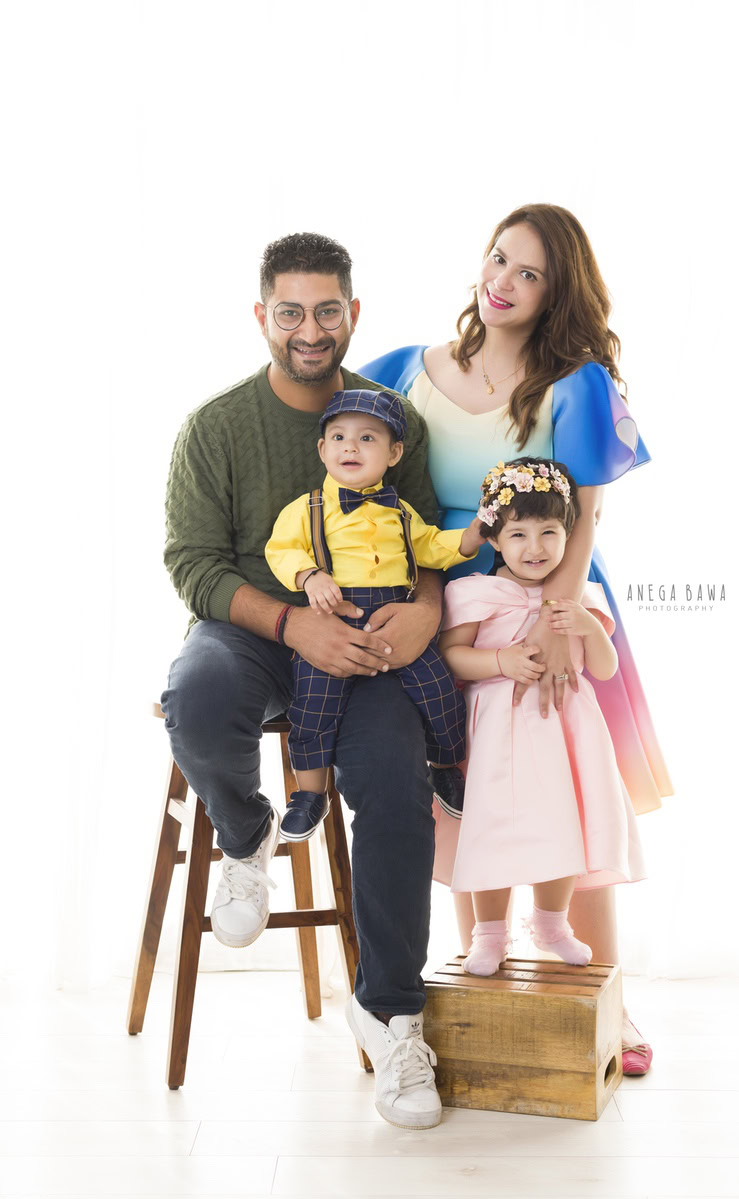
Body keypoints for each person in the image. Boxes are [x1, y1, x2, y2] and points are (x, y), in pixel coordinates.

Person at [360, 202, 672, 1074]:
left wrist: (559, 614)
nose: (502, 282)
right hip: (453, 605)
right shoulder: (408, 373)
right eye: (499, 259)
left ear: (555, 290)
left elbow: (589, 502)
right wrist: (427, 605)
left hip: (555, 591)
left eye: (528, 272)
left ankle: (611, 1001)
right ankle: (478, 991)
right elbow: (389, 502)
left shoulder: (573, 381)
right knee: (464, 795)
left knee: (574, 788)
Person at [161, 232, 446, 1129]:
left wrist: (426, 613)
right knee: (196, 695)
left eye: (328, 310)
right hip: (253, 632)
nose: (311, 328)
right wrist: (291, 623)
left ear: (353, 314)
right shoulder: (215, 427)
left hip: (366, 645)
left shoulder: (396, 416)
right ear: (263, 317)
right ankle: (246, 836)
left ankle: (393, 1013)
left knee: (397, 787)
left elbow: (432, 540)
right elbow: (193, 563)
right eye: (291, 311)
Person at [438, 457, 645, 975]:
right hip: (497, 734)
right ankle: (489, 935)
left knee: (563, 824)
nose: (536, 548)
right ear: (493, 539)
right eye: (520, 534)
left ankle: (552, 922)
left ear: (568, 534)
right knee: (492, 829)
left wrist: (588, 628)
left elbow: (603, 666)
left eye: (550, 533)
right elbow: (452, 657)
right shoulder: (472, 593)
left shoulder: (579, 598)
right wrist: (499, 661)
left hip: (564, 733)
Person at [265, 387, 483, 841]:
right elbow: (281, 550)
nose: (350, 446)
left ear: (394, 453)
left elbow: (429, 547)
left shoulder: (401, 512)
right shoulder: (307, 510)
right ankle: (309, 793)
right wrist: (309, 577)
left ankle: (444, 765)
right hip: (333, 623)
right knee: (313, 704)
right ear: (323, 449)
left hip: (394, 620)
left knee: (440, 692)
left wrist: (470, 538)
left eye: (367, 438)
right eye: (340, 437)